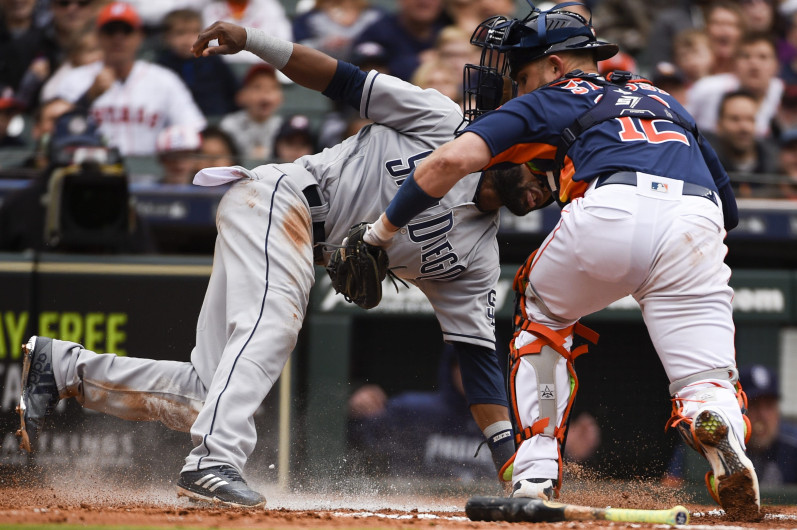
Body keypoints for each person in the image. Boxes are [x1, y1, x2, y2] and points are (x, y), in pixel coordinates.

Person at [15, 18, 552, 508]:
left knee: (208, 392)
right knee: (273, 324)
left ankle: (64, 368)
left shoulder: (477, 258)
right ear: (517, 148)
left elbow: (480, 365)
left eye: (554, 182)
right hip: (285, 199)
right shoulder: (444, 121)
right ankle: (212, 462)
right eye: (541, 169)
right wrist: (253, 41)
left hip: (295, 237)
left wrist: (514, 467)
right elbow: (341, 80)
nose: (544, 189)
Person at [358, 4, 761, 521]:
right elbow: (728, 210)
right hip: (697, 222)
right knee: (705, 375)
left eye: (522, 74)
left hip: (613, 207)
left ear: (553, 66)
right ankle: (717, 427)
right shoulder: (661, 96)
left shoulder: (557, 94)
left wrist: (380, 233)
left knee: (541, 316)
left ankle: (534, 469)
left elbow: (449, 162)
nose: (518, 86)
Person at [54, 2, 206, 156]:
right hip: (94, 175)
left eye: (126, 31)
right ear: (98, 36)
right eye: (110, 31)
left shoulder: (164, 79)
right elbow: (52, 127)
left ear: (140, 36)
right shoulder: (76, 79)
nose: (118, 38)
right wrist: (87, 98)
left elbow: (193, 127)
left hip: (151, 176)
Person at [664, 364, 797, 486]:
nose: (762, 415)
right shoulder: (708, 438)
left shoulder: (793, 443)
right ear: (738, 407)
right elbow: (670, 487)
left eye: (769, 406)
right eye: (754, 405)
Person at [687, 32, 784, 138]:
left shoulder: (785, 94)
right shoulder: (706, 88)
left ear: (776, 65)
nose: (754, 64)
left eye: (763, 57)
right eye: (746, 56)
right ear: (734, 64)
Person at [156, 8, 239, 117]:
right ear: (167, 37)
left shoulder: (213, 58)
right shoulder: (162, 66)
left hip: (215, 118)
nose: (188, 38)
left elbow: (233, 91)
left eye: (194, 32)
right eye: (180, 33)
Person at [706, 90, 780, 197]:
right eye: (735, 119)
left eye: (750, 119)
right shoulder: (706, 165)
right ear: (719, 125)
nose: (744, 127)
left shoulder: (775, 164)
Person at [351, 0, 447, 80]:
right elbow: (366, 80)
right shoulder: (379, 32)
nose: (424, 2)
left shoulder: (447, 28)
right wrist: (417, 62)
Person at [219, 63, 284, 163]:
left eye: (273, 87)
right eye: (257, 87)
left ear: (281, 98)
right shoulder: (229, 125)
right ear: (242, 96)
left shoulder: (284, 128)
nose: (266, 93)